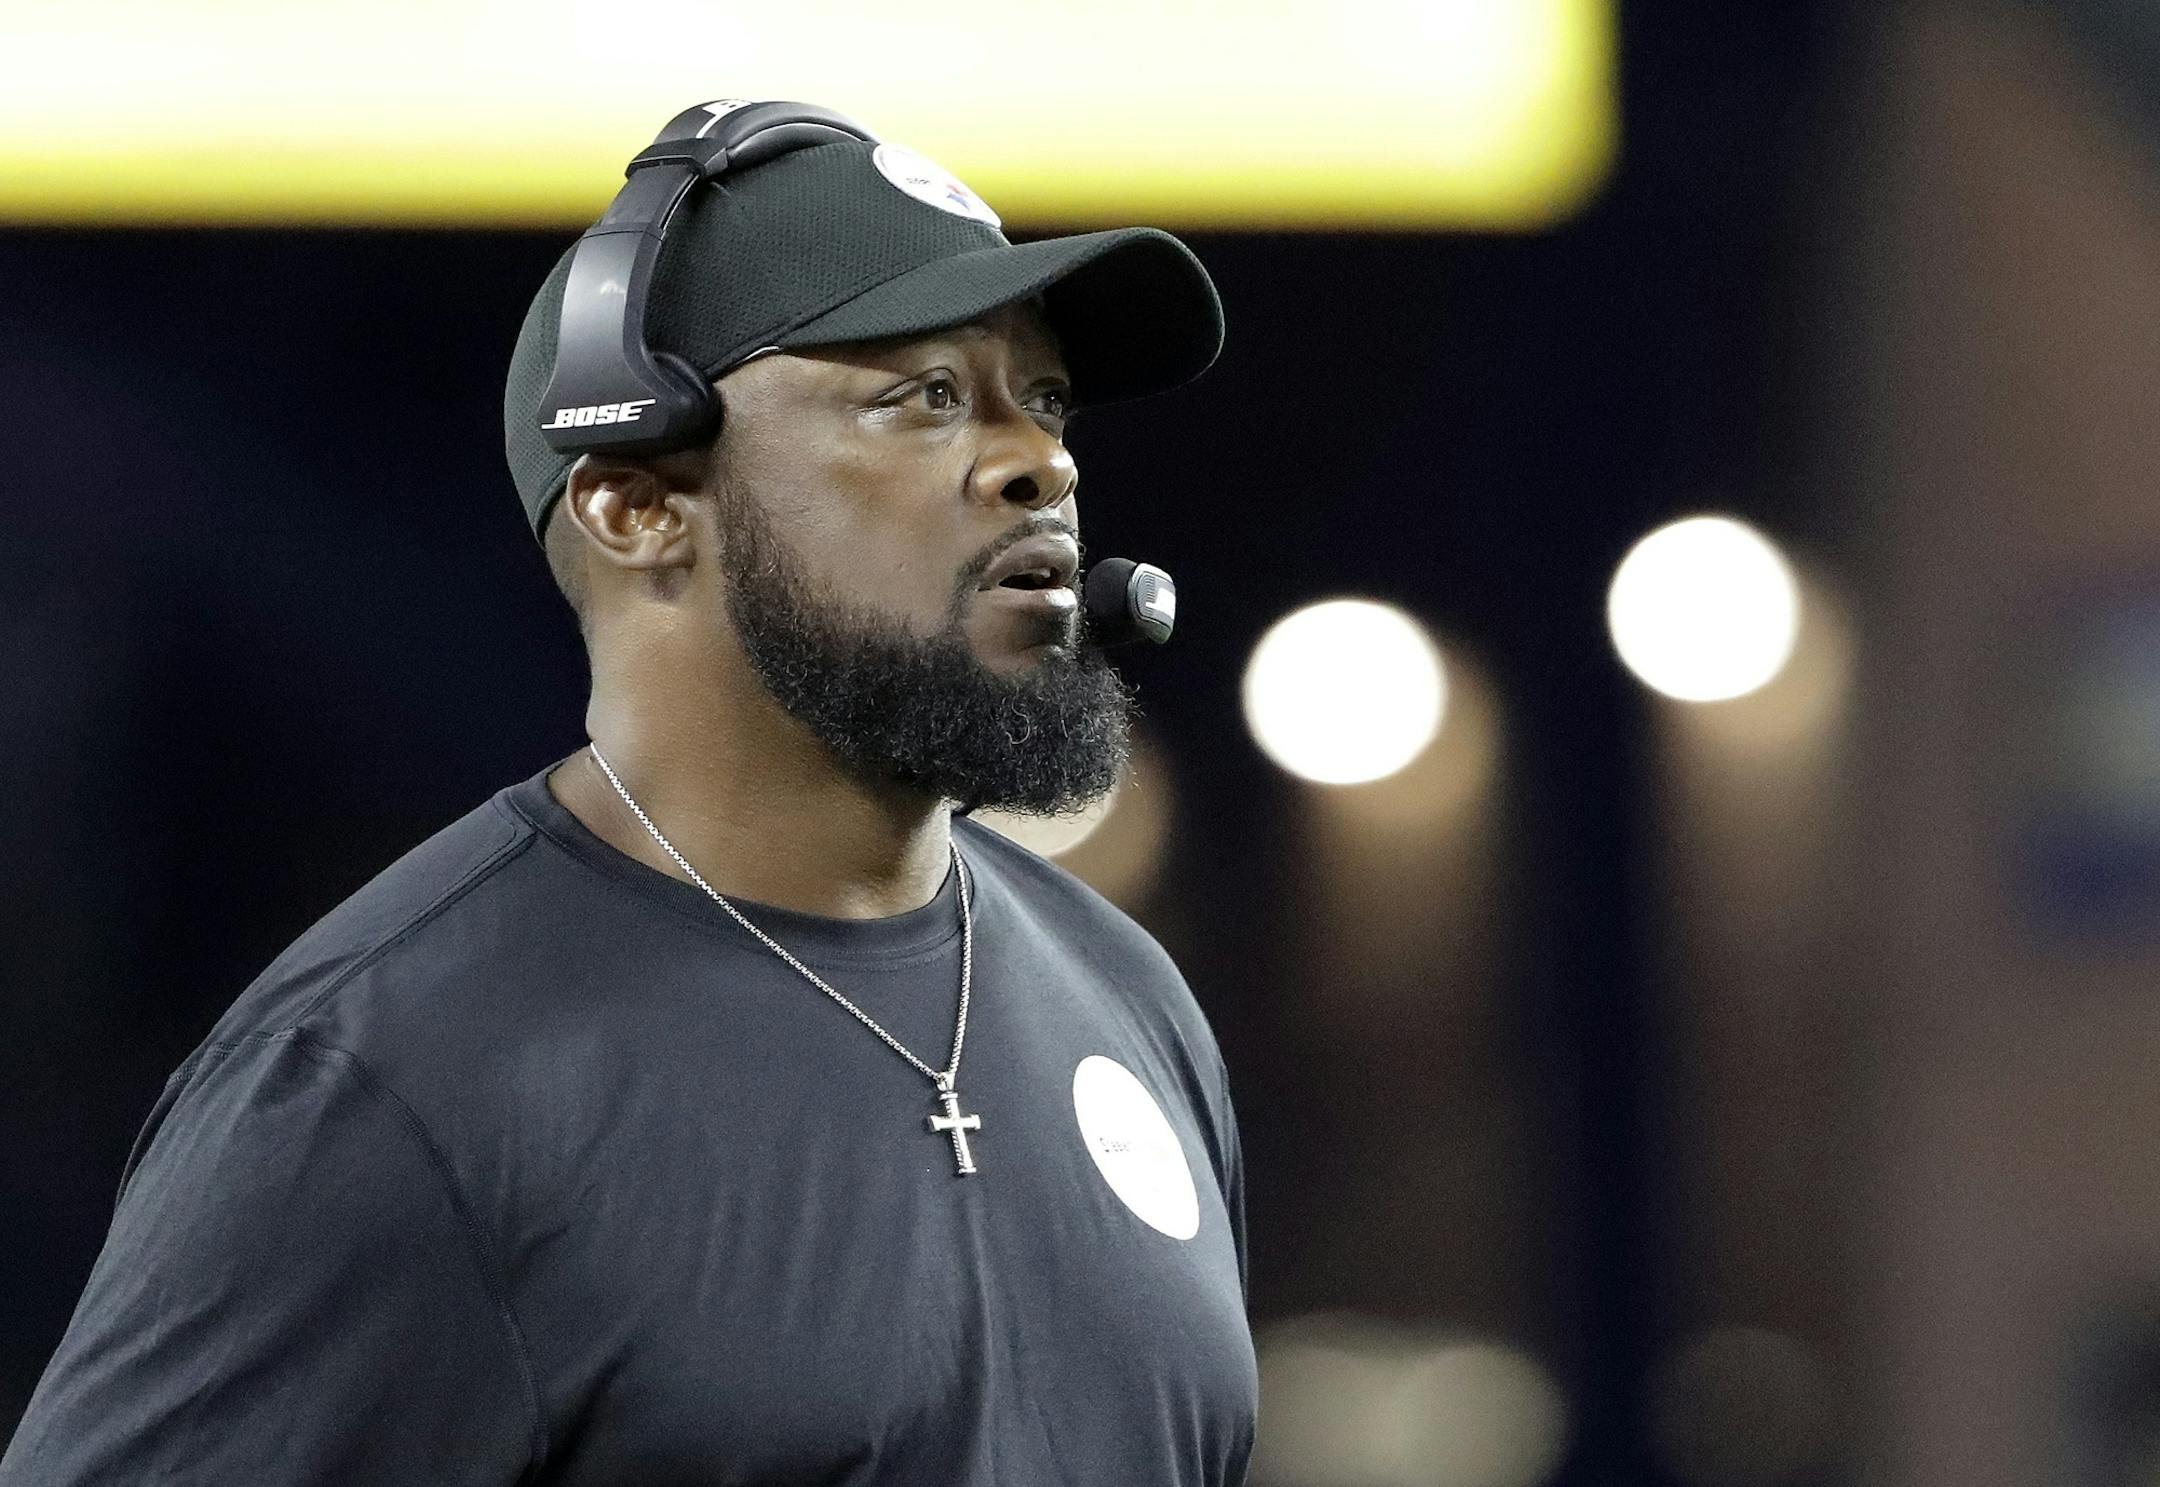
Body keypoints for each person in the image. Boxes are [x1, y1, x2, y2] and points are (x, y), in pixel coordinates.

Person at [0, 104, 1255, 1484]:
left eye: (1048, 399)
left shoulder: (1129, 1000)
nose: (1043, 461)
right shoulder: (384, 1084)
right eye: (926, 397)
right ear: (637, 504)